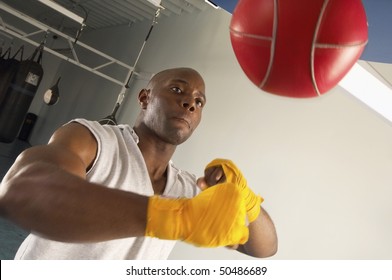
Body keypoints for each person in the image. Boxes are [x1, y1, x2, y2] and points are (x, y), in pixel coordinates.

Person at [0, 67, 277, 259]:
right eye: (177, 90)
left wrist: (247, 200)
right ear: (145, 97)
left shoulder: (188, 189)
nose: (189, 104)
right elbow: (20, 190)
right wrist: (171, 218)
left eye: (198, 102)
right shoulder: (94, 140)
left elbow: (263, 249)